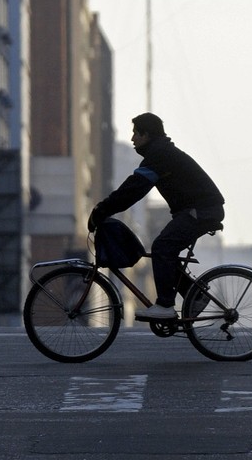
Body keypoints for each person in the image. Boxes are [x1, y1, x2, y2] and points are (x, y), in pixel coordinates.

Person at [87, 113, 225, 320]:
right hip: (197, 210)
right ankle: (195, 296)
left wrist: (101, 210)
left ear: (147, 134)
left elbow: (133, 190)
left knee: (162, 247)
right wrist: (105, 208)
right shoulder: (159, 153)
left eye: (136, 133)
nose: (133, 138)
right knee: (166, 252)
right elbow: (132, 190)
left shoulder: (160, 155)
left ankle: (166, 306)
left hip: (202, 210)